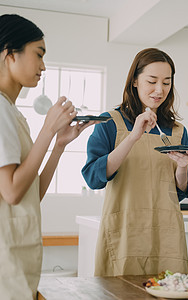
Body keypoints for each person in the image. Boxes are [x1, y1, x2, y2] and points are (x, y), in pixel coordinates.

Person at [0, 14, 95, 299]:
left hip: (18, 260)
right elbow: (12, 192)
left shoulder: (11, 111)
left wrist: (59, 144)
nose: (43, 66)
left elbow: (31, 193)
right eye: (38, 54)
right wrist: (48, 128)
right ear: (9, 53)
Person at [82, 48, 188, 276]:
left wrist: (183, 167)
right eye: (152, 81)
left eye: (166, 82)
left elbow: (179, 191)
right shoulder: (109, 123)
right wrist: (133, 136)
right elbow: (93, 177)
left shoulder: (177, 130)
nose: (159, 90)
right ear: (134, 80)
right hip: (124, 234)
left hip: (166, 235)